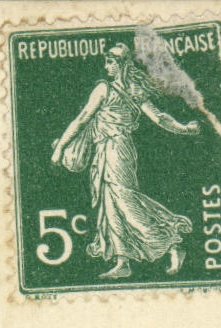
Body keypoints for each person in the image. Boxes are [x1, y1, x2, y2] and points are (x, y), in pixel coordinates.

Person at [51, 41, 200, 279]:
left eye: (110, 62)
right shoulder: (126, 90)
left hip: (117, 149)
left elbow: (82, 120)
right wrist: (184, 129)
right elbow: (159, 117)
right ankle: (123, 262)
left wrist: (60, 148)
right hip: (105, 150)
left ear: (120, 65)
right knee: (110, 204)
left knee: (125, 200)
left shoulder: (111, 90)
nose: (106, 66)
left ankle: (171, 243)